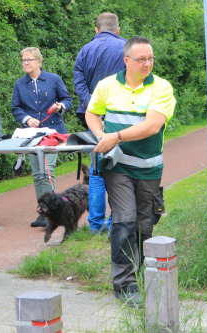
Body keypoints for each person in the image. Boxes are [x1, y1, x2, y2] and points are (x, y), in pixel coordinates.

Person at [85, 36, 175, 308]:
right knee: (124, 220)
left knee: (143, 226)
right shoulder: (107, 85)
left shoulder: (161, 87)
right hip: (118, 165)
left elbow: (151, 127)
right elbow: (91, 113)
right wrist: (101, 133)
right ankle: (125, 287)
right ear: (127, 60)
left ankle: (147, 278)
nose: (147, 63)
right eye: (141, 59)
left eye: (150, 58)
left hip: (148, 168)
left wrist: (115, 137)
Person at [73, 12, 126, 235]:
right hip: (120, 117)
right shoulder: (126, 48)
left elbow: (79, 83)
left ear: (96, 30)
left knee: (96, 170)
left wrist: (92, 107)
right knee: (119, 169)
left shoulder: (85, 50)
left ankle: (95, 225)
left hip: (93, 119)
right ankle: (115, 223)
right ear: (117, 30)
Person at [11, 47, 73, 227]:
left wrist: (60, 106)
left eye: (29, 60)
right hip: (32, 136)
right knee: (38, 175)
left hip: (53, 133)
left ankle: (54, 211)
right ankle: (42, 212)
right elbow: (16, 108)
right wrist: (27, 119)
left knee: (47, 171)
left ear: (39, 62)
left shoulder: (54, 79)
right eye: (23, 60)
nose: (25, 63)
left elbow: (67, 100)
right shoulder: (19, 84)